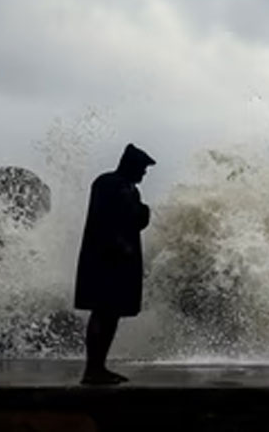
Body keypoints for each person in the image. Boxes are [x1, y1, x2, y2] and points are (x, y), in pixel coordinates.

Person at [74, 143, 155, 385]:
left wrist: (143, 211)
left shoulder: (128, 188)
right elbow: (104, 220)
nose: (144, 173)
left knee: (110, 315)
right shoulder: (108, 183)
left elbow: (136, 220)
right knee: (103, 312)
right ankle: (93, 369)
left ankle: (98, 367)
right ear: (130, 164)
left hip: (119, 261)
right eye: (142, 168)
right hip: (105, 260)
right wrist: (120, 243)